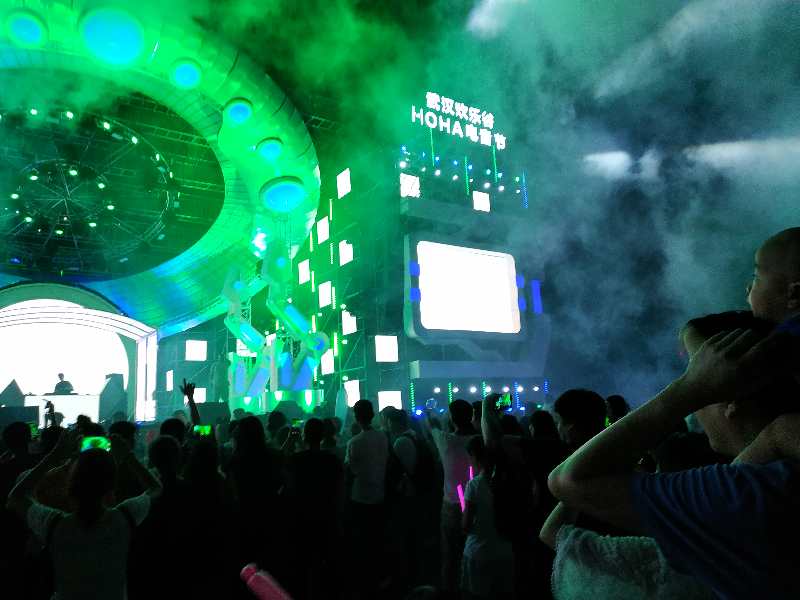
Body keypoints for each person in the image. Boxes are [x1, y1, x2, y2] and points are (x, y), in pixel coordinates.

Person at [548, 227, 800, 598]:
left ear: (728, 398)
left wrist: (688, 390)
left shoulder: (744, 497)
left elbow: (570, 481)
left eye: (700, 377)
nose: (748, 288)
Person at [6, 430, 161, 600]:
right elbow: (156, 489)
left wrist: (53, 457)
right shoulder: (124, 518)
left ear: (70, 485)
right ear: (111, 486)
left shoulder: (54, 524)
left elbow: (16, 497)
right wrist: (128, 456)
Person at [425, 398, 476, 597]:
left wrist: (429, 413)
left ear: (452, 418)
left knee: (450, 554)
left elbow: (431, 427)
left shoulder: (445, 440)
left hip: (452, 506)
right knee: (471, 551)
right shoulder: (480, 441)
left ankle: (449, 592)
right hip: (477, 503)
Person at [345, 399, 389, 597]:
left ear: (356, 416)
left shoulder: (354, 442)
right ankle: (380, 576)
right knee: (378, 538)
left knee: (362, 540)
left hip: (360, 496)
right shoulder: (383, 436)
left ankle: (364, 579)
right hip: (380, 494)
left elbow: (349, 470)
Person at [460, 435, 514, 600]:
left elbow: (466, 525)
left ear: (475, 457)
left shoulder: (474, 485)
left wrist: (464, 513)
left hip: (479, 553)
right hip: (504, 552)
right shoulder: (509, 481)